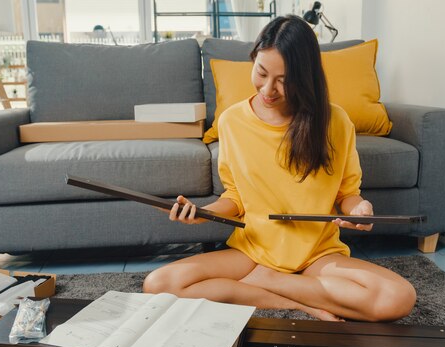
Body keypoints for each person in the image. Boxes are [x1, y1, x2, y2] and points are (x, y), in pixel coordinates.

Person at [143, 15, 416, 322]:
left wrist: (361, 210)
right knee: (158, 285)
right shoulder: (232, 121)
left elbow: (347, 194)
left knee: (398, 297)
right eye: (261, 73)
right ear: (253, 60)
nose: (268, 89)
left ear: (305, 77)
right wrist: (201, 215)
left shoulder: (335, 122)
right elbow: (235, 198)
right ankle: (298, 301)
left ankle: (271, 283)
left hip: (317, 255)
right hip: (253, 252)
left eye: (284, 80)